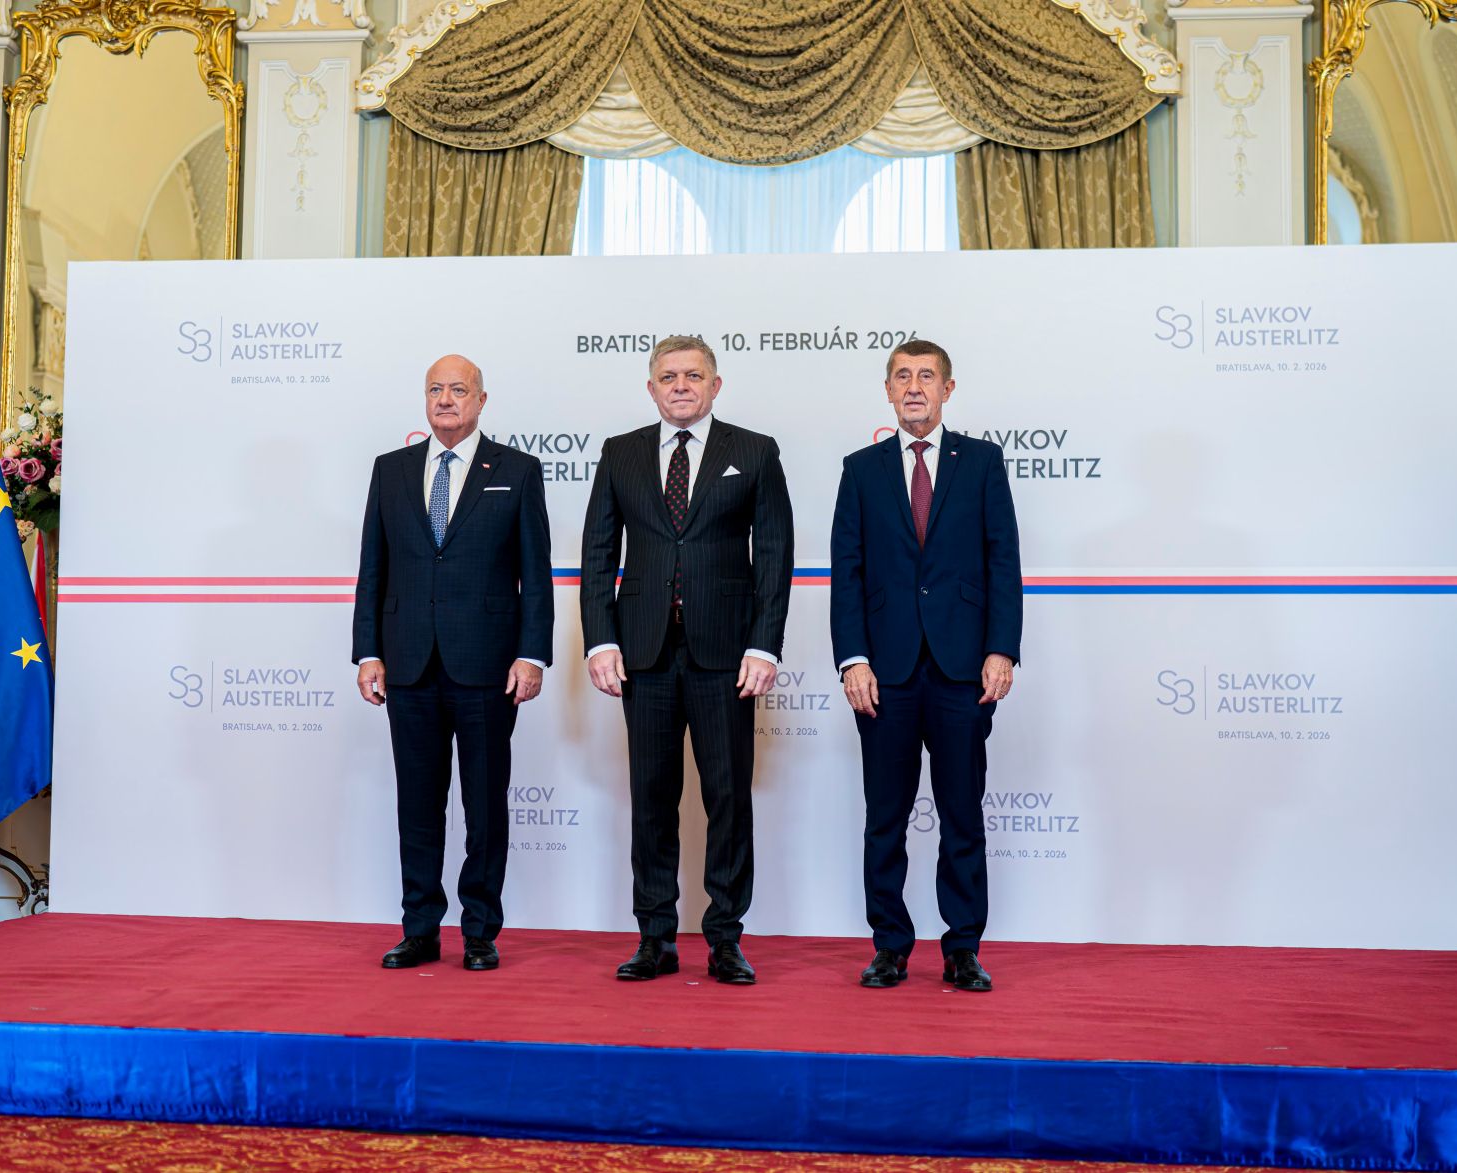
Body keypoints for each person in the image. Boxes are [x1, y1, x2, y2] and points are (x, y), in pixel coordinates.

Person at [580, 336, 794, 985]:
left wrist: (764, 644)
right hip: (642, 654)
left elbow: (775, 554)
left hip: (726, 656)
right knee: (651, 797)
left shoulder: (754, 451)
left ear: (715, 385)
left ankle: (725, 938)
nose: (680, 386)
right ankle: (655, 938)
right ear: (651, 388)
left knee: (727, 797)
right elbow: (597, 554)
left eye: (693, 375)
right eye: (668, 376)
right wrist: (601, 639)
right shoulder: (620, 452)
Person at [829, 339, 1022, 993]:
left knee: (961, 813)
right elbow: (848, 572)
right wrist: (853, 658)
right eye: (903, 377)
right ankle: (889, 946)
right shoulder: (861, 469)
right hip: (883, 672)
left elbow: (1003, 561)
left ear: (948, 388)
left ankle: (963, 947)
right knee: (885, 817)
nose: (915, 387)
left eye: (927, 376)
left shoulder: (983, 462)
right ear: (888, 390)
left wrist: (1001, 648)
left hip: (963, 668)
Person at [353, 354, 553, 972]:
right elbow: (373, 569)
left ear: (481, 400)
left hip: (488, 666)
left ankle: (479, 932)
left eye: (458, 389)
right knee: (417, 805)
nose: (445, 399)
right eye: (435, 389)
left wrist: (532, 655)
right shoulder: (390, 470)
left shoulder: (517, 470)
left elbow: (535, 575)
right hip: (408, 664)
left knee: (485, 806)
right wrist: (368, 651)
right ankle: (419, 929)